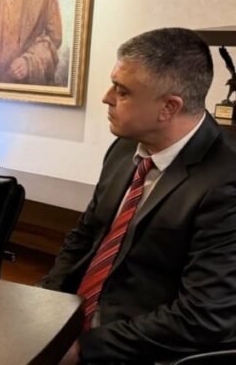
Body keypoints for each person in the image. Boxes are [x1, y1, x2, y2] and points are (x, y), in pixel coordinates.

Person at [38, 28, 236, 364]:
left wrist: (85, 348)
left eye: (123, 91)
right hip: (76, 320)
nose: (106, 97)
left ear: (168, 108)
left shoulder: (225, 181)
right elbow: (85, 234)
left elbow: (203, 315)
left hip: (139, 349)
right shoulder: (124, 149)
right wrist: (44, 305)